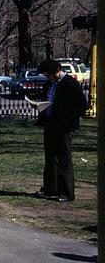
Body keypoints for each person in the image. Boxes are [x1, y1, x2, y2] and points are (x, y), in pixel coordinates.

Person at [31, 59, 88, 202]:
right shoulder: (50, 83)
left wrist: (67, 117)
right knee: (50, 158)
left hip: (64, 126)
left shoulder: (70, 83)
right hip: (50, 124)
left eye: (49, 74)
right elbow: (45, 98)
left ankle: (67, 192)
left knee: (64, 159)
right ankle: (51, 189)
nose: (48, 77)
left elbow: (82, 106)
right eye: (46, 75)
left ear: (57, 70)